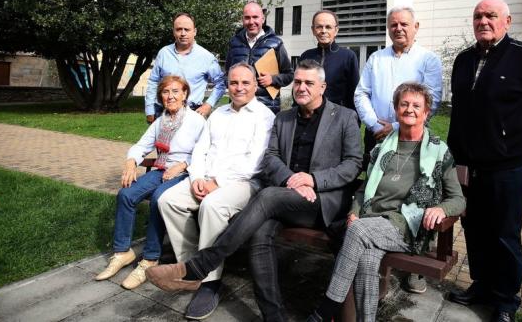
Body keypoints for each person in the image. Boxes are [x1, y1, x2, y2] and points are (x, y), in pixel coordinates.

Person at [146, 60, 363, 322]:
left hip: (321, 201)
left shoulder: (344, 116)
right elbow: (271, 158)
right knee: (259, 235)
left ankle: (201, 265)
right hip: (287, 195)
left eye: (308, 83)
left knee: (265, 195)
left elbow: (353, 164)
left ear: (322, 87)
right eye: (297, 82)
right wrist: (293, 179)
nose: (301, 87)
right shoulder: (284, 118)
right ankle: (273, 316)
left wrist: (313, 180)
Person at [306, 82, 465, 322]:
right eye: (404, 104)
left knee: (358, 231)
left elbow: (458, 199)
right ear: (396, 109)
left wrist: (441, 208)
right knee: (367, 261)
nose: (409, 109)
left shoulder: (439, 151)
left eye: (416, 105)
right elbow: (364, 190)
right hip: (372, 223)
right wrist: (354, 211)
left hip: (407, 227)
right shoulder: (382, 147)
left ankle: (325, 309)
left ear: (426, 112)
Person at [447, 0, 522, 322]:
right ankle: (481, 285)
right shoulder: (463, 60)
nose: (483, 21)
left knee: (504, 235)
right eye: (478, 15)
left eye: (491, 15)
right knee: (474, 228)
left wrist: (511, 135)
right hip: (467, 165)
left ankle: (506, 302)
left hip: (507, 167)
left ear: (507, 21)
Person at [157, 62, 275, 320]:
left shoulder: (265, 116)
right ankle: (190, 268)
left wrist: (217, 183)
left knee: (212, 206)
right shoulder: (218, 114)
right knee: (168, 201)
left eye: (245, 82)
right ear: (227, 86)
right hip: (207, 178)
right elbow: (200, 150)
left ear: (256, 85)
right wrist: (197, 177)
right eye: (234, 82)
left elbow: (255, 162)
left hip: (245, 184)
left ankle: (210, 281)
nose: (239, 87)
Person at [353, 5, 443, 293]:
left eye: (404, 24)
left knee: (413, 194)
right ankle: (376, 260)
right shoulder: (376, 58)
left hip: (411, 138)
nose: (398, 28)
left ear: (416, 27)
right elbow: (361, 93)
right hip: (376, 136)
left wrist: (394, 125)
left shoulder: (428, 59)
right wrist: (372, 122)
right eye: (393, 24)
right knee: (377, 194)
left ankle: (414, 262)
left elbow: (434, 100)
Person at [96, 75, 205, 289]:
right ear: (161, 96)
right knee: (126, 194)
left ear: (185, 95)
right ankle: (122, 252)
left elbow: (205, 152)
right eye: (166, 92)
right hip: (161, 169)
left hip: (185, 173)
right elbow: (141, 145)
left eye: (175, 91)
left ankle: (149, 259)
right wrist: (130, 163)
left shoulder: (196, 121)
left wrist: (182, 165)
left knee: (158, 199)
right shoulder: (161, 121)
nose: (170, 96)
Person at [145, 12, 225, 123]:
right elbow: (153, 81)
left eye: (187, 29)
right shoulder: (164, 53)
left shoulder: (206, 57)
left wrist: (208, 105)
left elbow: (221, 83)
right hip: (163, 113)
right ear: (173, 32)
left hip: (192, 114)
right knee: (159, 141)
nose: (183, 33)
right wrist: (149, 109)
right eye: (178, 29)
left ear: (195, 31)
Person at [224, 2, 294, 114]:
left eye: (255, 17)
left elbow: (289, 75)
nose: (251, 22)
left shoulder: (276, 44)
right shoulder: (234, 43)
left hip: (266, 107)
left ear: (263, 19)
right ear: (242, 20)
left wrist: (273, 79)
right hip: (238, 107)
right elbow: (226, 74)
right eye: (247, 18)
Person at [300, 10, 359, 109]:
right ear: (313, 30)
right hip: (309, 116)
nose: (323, 31)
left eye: (328, 27)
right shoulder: (306, 56)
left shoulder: (348, 57)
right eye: (319, 27)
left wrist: (353, 120)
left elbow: (354, 93)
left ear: (336, 30)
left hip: (337, 117)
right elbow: (298, 87)